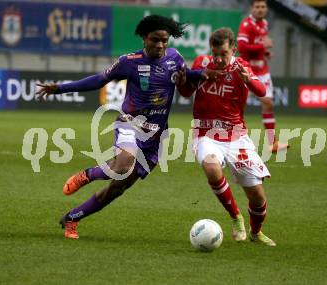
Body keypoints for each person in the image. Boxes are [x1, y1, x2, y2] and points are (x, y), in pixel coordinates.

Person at [36, 15, 213, 239]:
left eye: (164, 40)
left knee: (117, 188)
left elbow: (185, 78)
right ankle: (88, 175)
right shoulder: (129, 62)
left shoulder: (174, 57)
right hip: (130, 123)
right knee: (122, 165)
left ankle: (72, 219)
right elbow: (99, 80)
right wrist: (60, 88)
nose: (160, 45)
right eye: (155, 40)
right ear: (144, 38)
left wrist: (202, 75)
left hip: (156, 136)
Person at [178, 28, 276, 245]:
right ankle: (236, 218)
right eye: (215, 54)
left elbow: (261, 91)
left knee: (258, 197)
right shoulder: (202, 63)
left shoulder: (241, 67)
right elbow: (186, 93)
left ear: (233, 49)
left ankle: (255, 232)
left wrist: (247, 80)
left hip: (236, 137)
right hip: (206, 133)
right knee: (212, 167)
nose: (219, 59)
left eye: (224, 54)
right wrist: (182, 81)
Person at [237, 0, 289, 153]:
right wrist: (262, 46)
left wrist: (264, 53)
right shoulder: (246, 25)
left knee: (268, 103)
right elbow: (241, 47)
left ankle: (272, 143)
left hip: (262, 70)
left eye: (263, 7)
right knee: (238, 107)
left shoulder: (264, 23)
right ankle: (231, 139)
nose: (260, 10)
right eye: (257, 7)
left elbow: (258, 45)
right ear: (252, 8)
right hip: (246, 70)